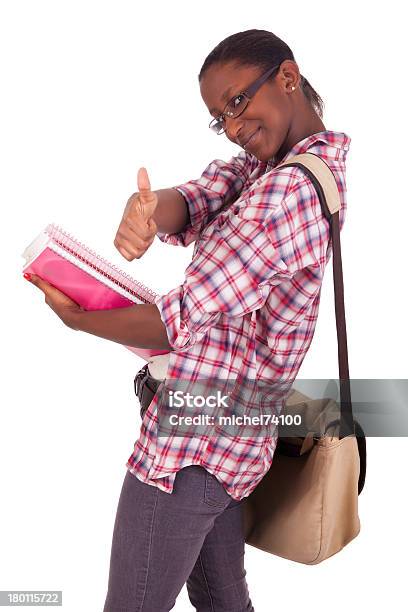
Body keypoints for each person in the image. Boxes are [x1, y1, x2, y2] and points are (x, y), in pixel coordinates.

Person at [25, 29, 351, 612]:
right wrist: (153, 211)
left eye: (237, 102)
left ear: (288, 76)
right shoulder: (276, 168)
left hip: (194, 448)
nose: (232, 126)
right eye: (218, 117)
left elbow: (179, 319)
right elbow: (208, 194)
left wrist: (82, 320)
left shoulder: (288, 195)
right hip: (228, 446)